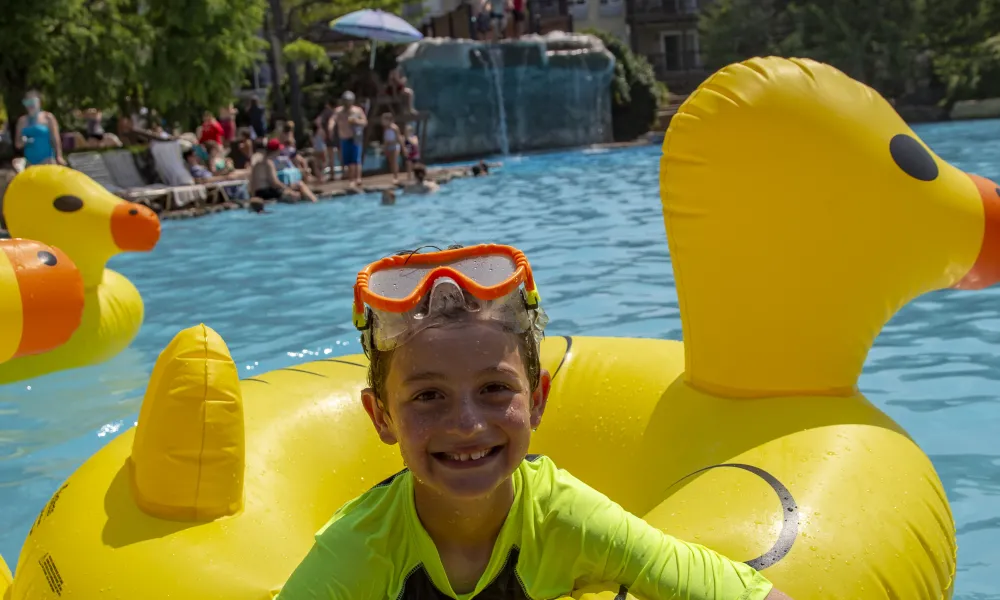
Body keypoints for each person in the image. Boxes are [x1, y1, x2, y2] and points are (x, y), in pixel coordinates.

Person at [276, 244, 792, 600]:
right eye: (428, 396)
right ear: (381, 415)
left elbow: (724, 588)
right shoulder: (359, 547)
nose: (466, 423)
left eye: (494, 389)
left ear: (539, 398)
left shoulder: (562, 515)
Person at [250, 139, 317, 203]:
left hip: (258, 193)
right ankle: (315, 202)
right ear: (277, 150)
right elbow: (274, 183)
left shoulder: (258, 163)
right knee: (299, 186)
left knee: (295, 188)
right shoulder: (268, 163)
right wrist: (287, 188)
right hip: (266, 193)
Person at [14, 91, 64, 167]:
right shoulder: (22, 121)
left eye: (32, 101)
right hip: (30, 162)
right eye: (27, 102)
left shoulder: (48, 117)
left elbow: (56, 139)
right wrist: (23, 141)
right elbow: (17, 144)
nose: (30, 105)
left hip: (47, 160)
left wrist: (59, 156)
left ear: (39, 102)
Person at [333, 91, 367, 187]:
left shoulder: (357, 110)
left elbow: (364, 122)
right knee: (348, 161)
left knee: (356, 159)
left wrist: (356, 121)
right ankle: (351, 179)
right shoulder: (339, 111)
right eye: (345, 101)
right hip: (344, 137)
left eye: (348, 101)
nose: (346, 103)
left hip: (355, 137)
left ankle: (358, 178)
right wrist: (331, 126)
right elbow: (333, 119)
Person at [315, 100, 338, 180]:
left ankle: (331, 174)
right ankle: (333, 174)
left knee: (329, 157)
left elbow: (318, 121)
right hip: (332, 136)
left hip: (328, 136)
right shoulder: (332, 112)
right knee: (331, 157)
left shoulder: (326, 112)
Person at [381, 113, 403, 183]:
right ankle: (394, 175)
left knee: (394, 161)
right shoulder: (385, 128)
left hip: (394, 145)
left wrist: (403, 147)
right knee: (391, 162)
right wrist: (384, 147)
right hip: (388, 146)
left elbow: (398, 137)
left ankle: (396, 177)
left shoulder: (394, 128)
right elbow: (386, 138)